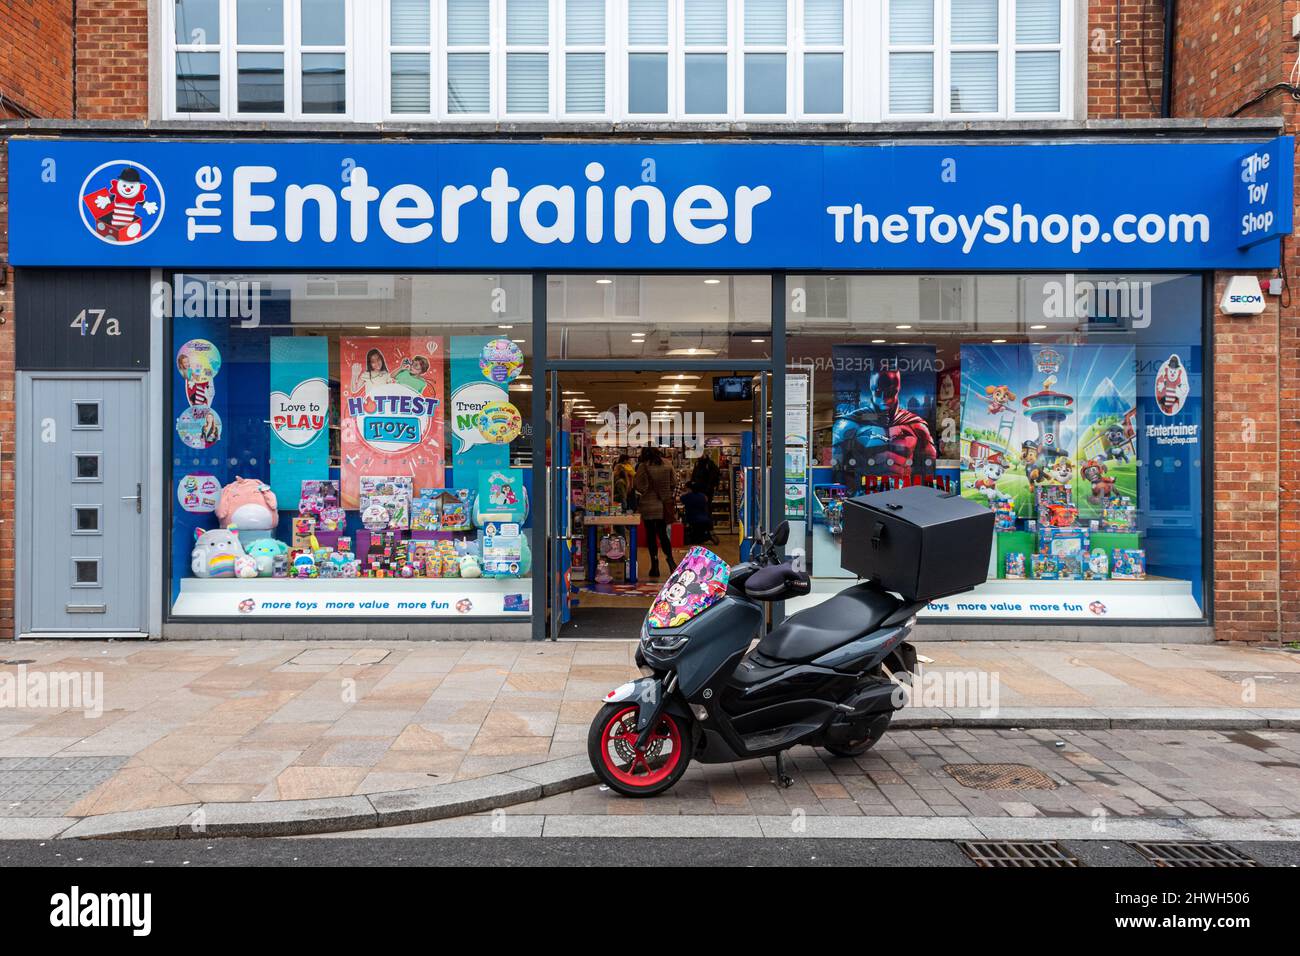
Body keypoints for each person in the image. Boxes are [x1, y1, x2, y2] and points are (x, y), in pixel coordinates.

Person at [634, 446, 676, 577]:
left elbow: (638, 486)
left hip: (648, 506)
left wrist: (646, 490)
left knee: (651, 535)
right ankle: (670, 561)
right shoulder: (668, 464)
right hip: (663, 505)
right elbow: (674, 482)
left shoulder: (643, 466)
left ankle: (655, 565)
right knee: (663, 534)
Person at [689, 451, 721, 544]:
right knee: (700, 513)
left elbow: (713, 478)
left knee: (706, 513)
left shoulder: (709, 464)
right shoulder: (698, 464)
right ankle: (700, 535)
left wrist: (707, 491)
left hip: (705, 494)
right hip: (698, 493)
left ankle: (708, 533)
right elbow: (694, 477)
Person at [680, 481, 713, 546]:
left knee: (693, 541)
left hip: (693, 520)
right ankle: (705, 536)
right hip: (705, 519)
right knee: (697, 537)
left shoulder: (687, 496)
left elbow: (680, 499)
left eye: (686, 488)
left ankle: (704, 537)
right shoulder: (702, 496)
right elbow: (706, 500)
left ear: (689, 489)